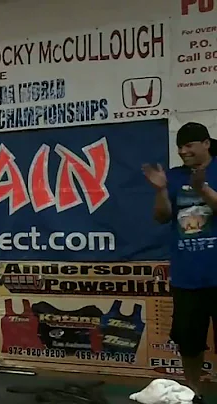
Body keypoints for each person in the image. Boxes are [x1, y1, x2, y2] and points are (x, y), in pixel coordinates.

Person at [143, 121, 216, 404]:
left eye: (189, 145)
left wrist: (203, 189)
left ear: (206, 144)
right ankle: (192, 393)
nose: (183, 151)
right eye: (180, 147)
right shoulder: (173, 177)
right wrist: (161, 190)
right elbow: (162, 217)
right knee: (189, 342)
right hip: (187, 276)